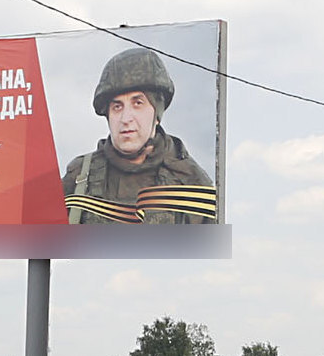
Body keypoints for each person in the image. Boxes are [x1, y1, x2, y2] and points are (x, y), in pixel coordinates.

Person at [62, 47, 218, 224]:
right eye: (117, 107)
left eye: (138, 103)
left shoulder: (191, 183)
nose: (125, 119)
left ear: (156, 114)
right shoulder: (79, 178)